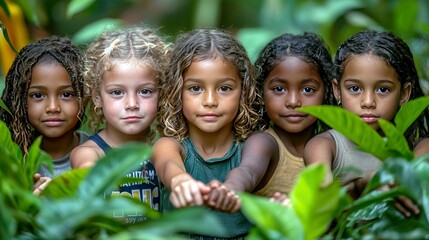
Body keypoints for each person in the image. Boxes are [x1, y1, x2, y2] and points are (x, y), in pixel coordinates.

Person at [304, 30, 429, 217]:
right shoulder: (324, 146)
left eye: (383, 89)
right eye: (354, 88)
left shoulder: (418, 148)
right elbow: (321, 201)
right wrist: (359, 187)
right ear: (337, 90)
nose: (368, 102)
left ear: (404, 93)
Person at [152, 28, 260, 239]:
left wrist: (232, 190)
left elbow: (252, 170)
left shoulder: (252, 145)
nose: (210, 101)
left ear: (244, 90)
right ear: (176, 91)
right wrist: (180, 182)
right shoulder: (170, 145)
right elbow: (168, 164)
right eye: (195, 88)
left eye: (225, 88)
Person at [70, 26, 170, 222]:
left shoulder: (165, 149)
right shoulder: (91, 153)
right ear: (97, 97)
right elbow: (88, 176)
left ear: (162, 93)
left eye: (145, 91)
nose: (132, 104)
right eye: (117, 92)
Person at [220, 32, 335, 199]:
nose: (293, 102)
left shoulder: (332, 144)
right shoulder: (264, 142)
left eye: (308, 90)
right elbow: (248, 171)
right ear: (261, 91)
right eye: (279, 89)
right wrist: (231, 188)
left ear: (327, 92)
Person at [0, 36, 88, 194]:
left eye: (66, 95)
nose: (53, 108)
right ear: (20, 100)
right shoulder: (11, 161)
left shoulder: (101, 152)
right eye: (38, 95)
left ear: (84, 97)